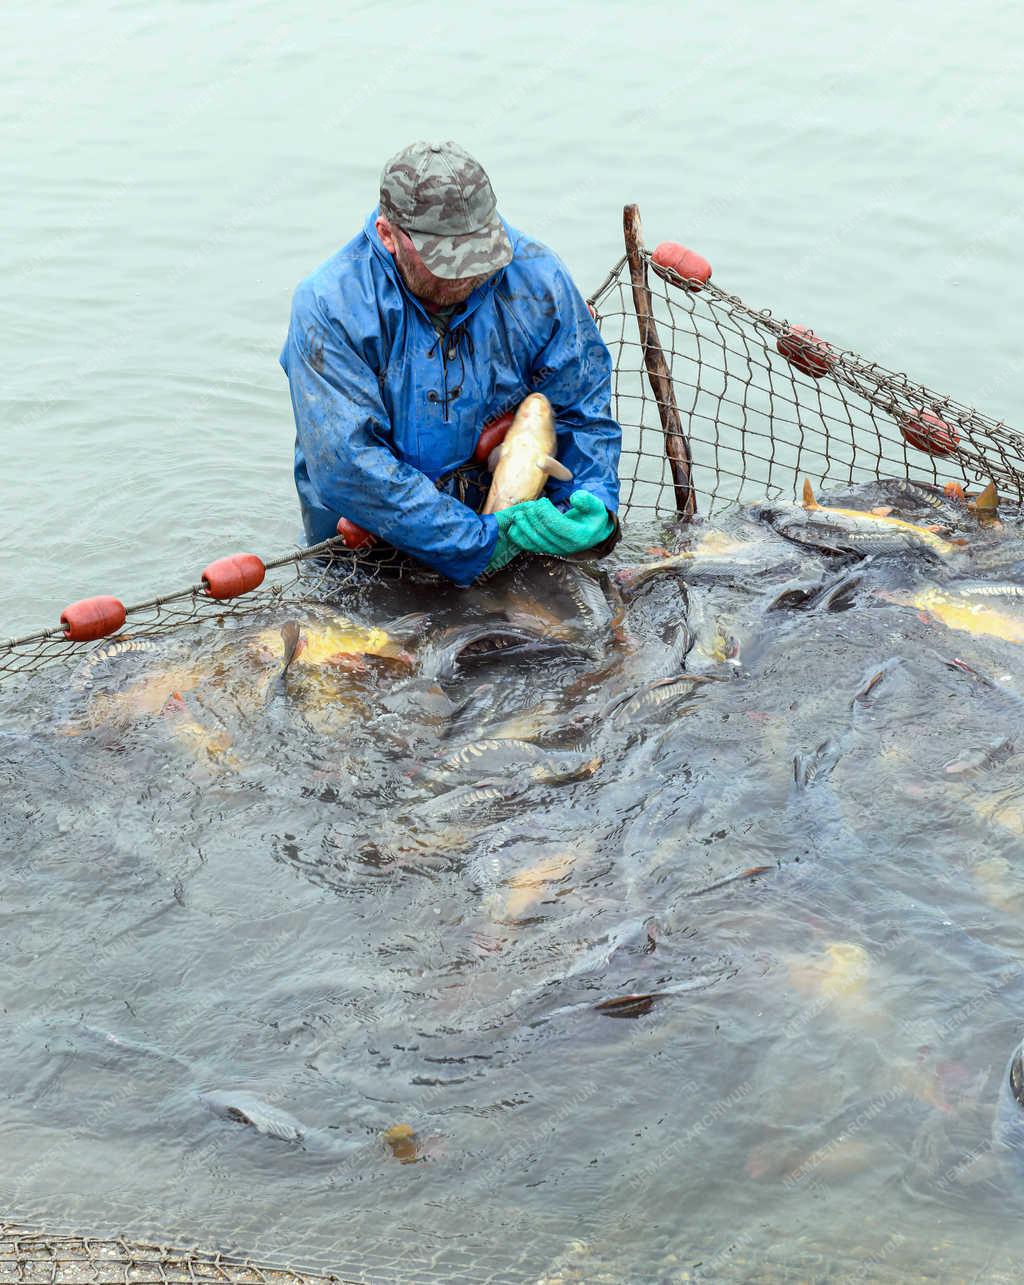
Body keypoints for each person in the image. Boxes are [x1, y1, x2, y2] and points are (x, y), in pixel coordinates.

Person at [279, 140, 622, 586]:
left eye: (480, 253)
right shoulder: (331, 306)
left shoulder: (538, 276)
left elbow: (580, 407)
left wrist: (592, 498)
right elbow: (349, 465)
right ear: (388, 234)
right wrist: (477, 542)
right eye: (446, 260)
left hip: (508, 523)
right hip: (372, 550)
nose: (467, 273)